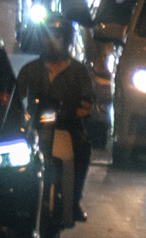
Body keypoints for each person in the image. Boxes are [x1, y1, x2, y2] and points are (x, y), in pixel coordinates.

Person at [15, 27, 97, 223]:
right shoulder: (30, 69)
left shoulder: (79, 71)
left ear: (66, 39)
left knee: (83, 149)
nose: (51, 41)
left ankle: (74, 200)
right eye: (46, 36)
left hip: (68, 126)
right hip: (36, 127)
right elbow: (17, 98)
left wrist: (81, 111)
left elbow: (88, 102)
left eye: (57, 36)